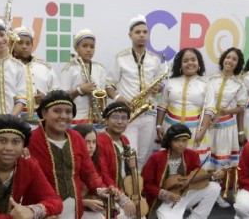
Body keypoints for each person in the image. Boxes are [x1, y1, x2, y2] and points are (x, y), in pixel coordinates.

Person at [11, 91, 128, 219]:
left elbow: (89, 173)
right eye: (57, 111)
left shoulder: (76, 139)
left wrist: (100, 190)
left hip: (72, 217)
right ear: (43, 113)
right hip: (44, 215)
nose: (63, 116)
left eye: (68, 111)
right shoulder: (30, 140)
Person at [142, 123, 222, 219]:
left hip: (185, 195)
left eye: (184, 141)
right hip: (165, 201)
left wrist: (213, 176)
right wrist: (165, 194)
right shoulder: (156, 158)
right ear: (169, 141)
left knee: (214, 187)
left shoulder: (192, 155)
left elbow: (198, 177)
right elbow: (146, 184)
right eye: (177, 140)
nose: (181, 144)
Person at [106, 15, 167, 167]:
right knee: (129, 154)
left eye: (145, 32)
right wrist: (118, 97)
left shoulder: (155, 59)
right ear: (130, 35)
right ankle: (126, 186)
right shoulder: (120, 58)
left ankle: (136, 188)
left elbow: (161, 85)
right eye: (138, 32)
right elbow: (108, 85)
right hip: (130, 114)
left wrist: (158, 88)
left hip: (149, 114)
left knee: (143, 156)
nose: (141, 35)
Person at [194, 47, 247, 206]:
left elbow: (241, 108)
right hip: (207, 126)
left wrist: (227, 111)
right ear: (223, 59)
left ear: (238, 64)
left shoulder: (239, 84)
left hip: (225, 127)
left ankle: (216, 192)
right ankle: (200, 191)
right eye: (228, 57)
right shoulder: (209, 79)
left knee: (220, 162)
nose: (230, 61)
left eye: (234, 59)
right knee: (205, 160)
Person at [97, 101, 153, 219]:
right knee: (126, 215)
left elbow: (127, 173)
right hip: (109, 193)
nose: (120, 122)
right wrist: (122, 198)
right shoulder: (100, 141)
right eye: (115, 117)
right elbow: (102, 174)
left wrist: (130, 166)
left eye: (124, 118)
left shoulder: (125, 140)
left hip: (126, 191)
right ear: (106, 120)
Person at [158, 48, 208, 157]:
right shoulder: (171, 82)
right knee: (168, 162)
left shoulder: (206, 84)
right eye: (185, 61)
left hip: (194, 132)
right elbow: (162, 106)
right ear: (180, 64)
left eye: (193, 60)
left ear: (199, 62)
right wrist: (158, 125)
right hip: (170, 128)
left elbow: (210, 111)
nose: (190, 63)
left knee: (192, 164)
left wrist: (202, 132)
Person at [58, 29, 109, 127]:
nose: (89, 49)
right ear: (76, 48)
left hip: (97, 121)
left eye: (92, 47)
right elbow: (62, 97)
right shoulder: (69, 68)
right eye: (85, 46)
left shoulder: (100, 68)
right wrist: (80, 90)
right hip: (77, 119)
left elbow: (103, 94)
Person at [11, 26, 56, 123]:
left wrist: (46, 97)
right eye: (20, 43)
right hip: (14, 121)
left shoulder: (44, 67)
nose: (24, 46)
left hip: (41, 121)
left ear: (32, 45)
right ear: (13, 44)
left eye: (28, 43)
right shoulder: (8, 66)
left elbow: (57, 91)